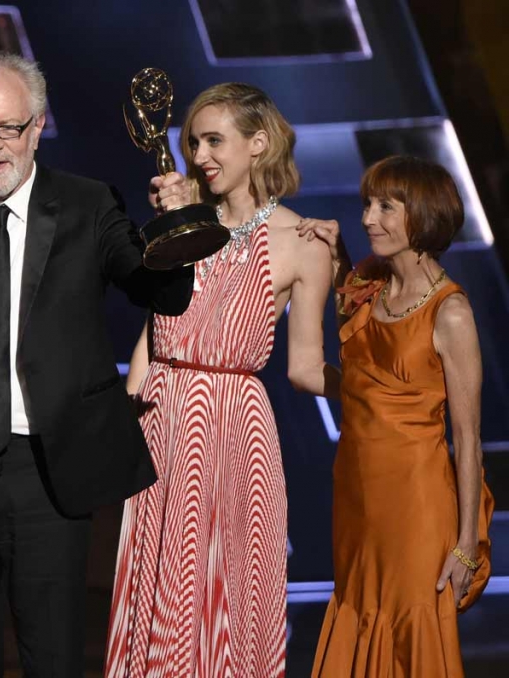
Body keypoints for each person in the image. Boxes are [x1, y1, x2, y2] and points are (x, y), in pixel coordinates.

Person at [0, 51, 194, 677]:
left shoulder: (88, 205)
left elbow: (165, 295)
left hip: (49, 467)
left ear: (38, 125)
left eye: (8, 128)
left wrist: (178, 224)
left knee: (51, 653)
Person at [105, 82, 336, 676]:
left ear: (258, 144)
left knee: (223, 595)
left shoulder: (303, 241)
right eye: (193, 143)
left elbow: (307, 368)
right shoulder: (186, 225)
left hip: (234, 430)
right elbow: (156, 325)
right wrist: (120, 412)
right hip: (162, 417)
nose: (200, 155)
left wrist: (385, 391)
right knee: (154, 590)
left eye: (214, 141)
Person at [298, 155, 493, 676]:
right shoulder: (368, 288)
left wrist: (467, 545)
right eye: (367, 203)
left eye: (386, 206)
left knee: (410, 633)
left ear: (424, 213)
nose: (368, 218)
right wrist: (336, 254)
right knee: (359, 615)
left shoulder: (450, 312)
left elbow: (467, 438)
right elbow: (360, 377)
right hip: (357, 503)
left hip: (416, 508)